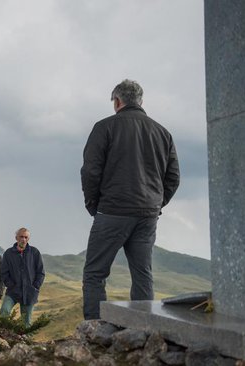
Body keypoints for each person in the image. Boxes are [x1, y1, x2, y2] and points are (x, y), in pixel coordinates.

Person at [80, 79, 180, 320]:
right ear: (141, 102)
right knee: (143, 273)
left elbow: (90, 171)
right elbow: (173, 177)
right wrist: (156, 203)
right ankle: (145, 329)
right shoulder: (162, 132)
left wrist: (94, 206)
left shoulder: (104, 127)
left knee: (95, 272)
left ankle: (95, 327)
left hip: (112, 211)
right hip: (147, 215)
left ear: (117, 101)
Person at [0, 227, 45, 327]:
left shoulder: (34, 252)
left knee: (26, 322)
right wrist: (11, 285)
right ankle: (2, 335)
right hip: (13, 291)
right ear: (16, 238)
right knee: (4, 311)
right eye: (21, 237)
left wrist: (35, 287)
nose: (23, 239)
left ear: (28, 239)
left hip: (29, 292)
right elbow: (4, 273)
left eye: (26, 237)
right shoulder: (8, 253)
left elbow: (41, 272)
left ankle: (24, 341)